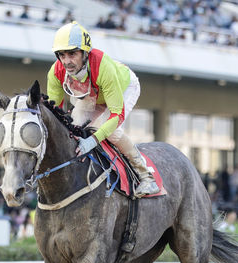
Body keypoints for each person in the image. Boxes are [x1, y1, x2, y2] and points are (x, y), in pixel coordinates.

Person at [47, 21, 159, 196]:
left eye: (72, 54)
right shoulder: (55, 72)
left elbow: (117, 115)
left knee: (108, 131)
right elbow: (55, 115)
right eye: (62, 55)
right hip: (93, 93)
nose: (67, 61)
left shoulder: (103, 66)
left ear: (85, 53)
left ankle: (146, 176)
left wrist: (93, 140)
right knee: (75, 129)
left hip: (124, 86)